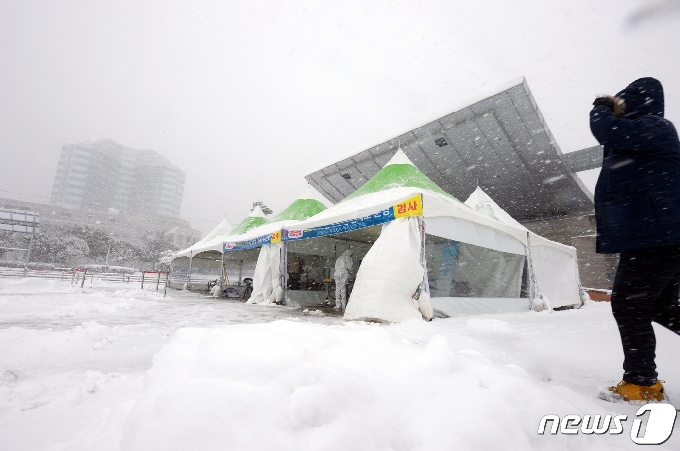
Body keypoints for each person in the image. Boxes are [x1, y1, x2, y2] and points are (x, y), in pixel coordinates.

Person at [590, 77, 680, 402]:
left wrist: (602, 106)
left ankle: (641, 383)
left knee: (628, 306)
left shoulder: (655, 127)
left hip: (655, 236)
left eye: (624, 103)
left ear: (639, 101)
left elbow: (605, 129)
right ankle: (643, 381)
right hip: (659, 235)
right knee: (662, 307)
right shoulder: (642, 135)